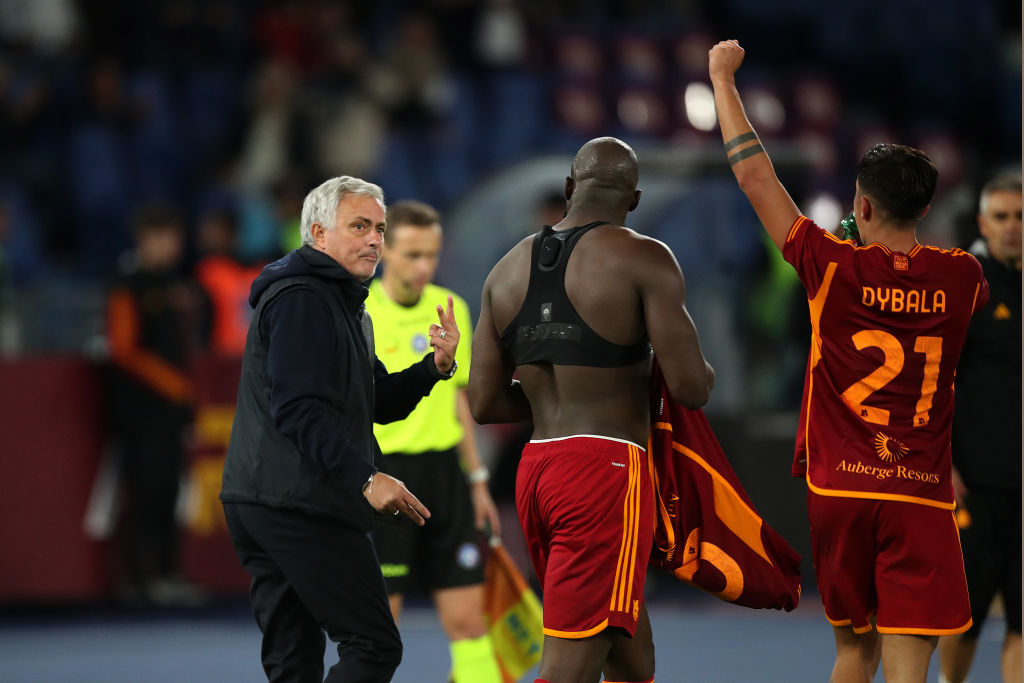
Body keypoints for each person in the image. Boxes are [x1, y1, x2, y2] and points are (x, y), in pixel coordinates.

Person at [708, 40, 989, 683]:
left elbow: (755, 176)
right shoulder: (964, 277)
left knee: (852, 654)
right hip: (919, 494)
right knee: (909, 661)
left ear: (861, 207)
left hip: (840, 488)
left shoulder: (827, 266)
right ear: (924, 208)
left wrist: (723, 78)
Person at [468, 136, 716, 683]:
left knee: (629, 654)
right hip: (604, 475)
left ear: (567, 189)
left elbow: (484, 403)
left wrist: (548, 400)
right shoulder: (644, 257)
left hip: (536, 473)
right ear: (634, 200)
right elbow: (691, 387)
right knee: (569, 668)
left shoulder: (503, 271)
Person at [219, 176, 462, 683]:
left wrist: (433, 367)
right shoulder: (305, 298)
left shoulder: (341, 301)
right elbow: (299, 411)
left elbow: (377, 402)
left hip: (265, 499)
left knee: (294, 663)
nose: (375, 239)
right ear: (318, 233)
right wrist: (367, 479)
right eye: (359, 226)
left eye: (379, 228)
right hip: (299, 503)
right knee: (373, 645)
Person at [365, 199, 503, 682]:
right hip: (387, 481)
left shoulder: (451, 309)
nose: (424, 267)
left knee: (469, 620)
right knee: (382, 627)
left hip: (445, 477)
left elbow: (460, 405)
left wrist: (479, 483)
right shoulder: (361, 313)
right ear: (384, 250)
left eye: (431, 255)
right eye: (412, 255)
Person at [938, 174, 1022, 683]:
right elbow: (933, 380)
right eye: (1003, 217)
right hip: (975, 485)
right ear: (982, 223)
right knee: (963, 620)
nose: (1013, 227)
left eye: (1020, 217)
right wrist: (943, 465)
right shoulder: (966, 287)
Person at [106, 203, 204, 605]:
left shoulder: (175, 286)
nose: (169, 246)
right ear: (143, 239)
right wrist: (171, 385)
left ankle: (167, 574)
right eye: (160, 237)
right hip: (138, 409)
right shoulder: (127, 285)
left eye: (174, 237)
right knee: (143, 490)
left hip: (170, 409)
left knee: (168, 489)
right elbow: (123, 350)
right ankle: (137, 579)